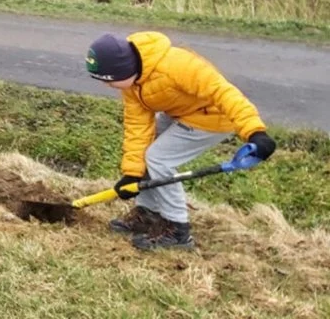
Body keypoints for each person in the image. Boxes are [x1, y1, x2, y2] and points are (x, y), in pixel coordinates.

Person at [86, 32, 276, 251]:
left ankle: (178, 229)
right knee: (147, 148)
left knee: (159, 158)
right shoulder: (131, 84)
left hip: (211, 118)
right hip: (180, 114)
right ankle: (147, 214)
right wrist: (132, 173)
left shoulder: (177, 65)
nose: (108, 86)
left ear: (124, 69)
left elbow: (224, 93)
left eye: (109, 80)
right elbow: (138, 128)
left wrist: (254, 131)